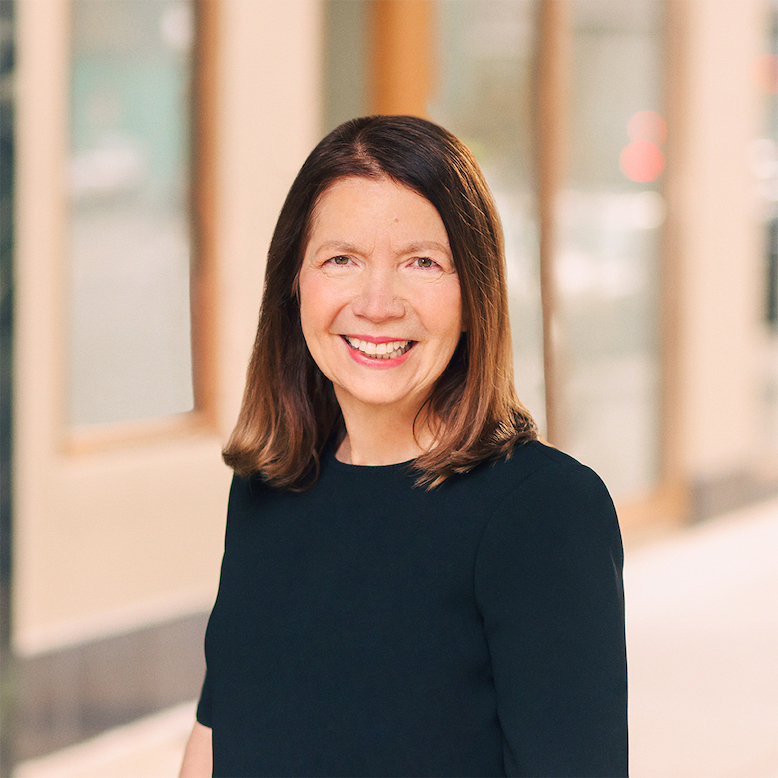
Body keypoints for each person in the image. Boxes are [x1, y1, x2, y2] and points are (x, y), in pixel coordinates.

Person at [180, 115, 627, 778]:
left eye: (422, 262)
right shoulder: (268, 487)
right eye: (342, 260)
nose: (379, 303)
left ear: (473, 292)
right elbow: (214, 743)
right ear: (295, 285)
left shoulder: (546, 511)